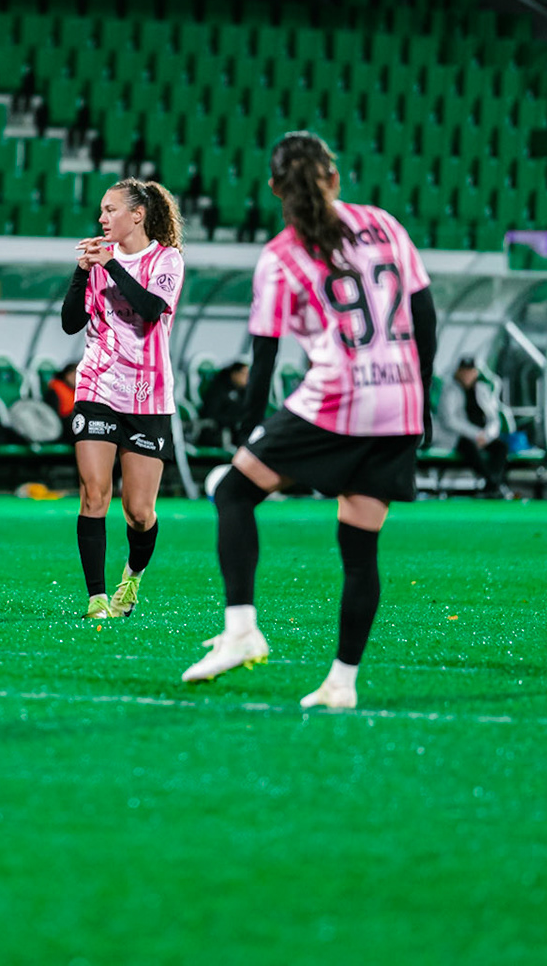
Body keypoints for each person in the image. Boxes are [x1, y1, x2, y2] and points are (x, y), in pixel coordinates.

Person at [182, 131, 438, 711]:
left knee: (234, 492)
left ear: (275, 188)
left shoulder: (281, 254)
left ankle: (242, 628)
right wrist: (418, 401)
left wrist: (249, 431)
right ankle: (341, 682)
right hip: (398, 404)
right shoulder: (384, 223)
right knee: (359, 547)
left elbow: (265, 354)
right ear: (335, 176)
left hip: (339, 398)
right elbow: (426, 317)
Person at [60, 179, 185, 619]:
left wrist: (111, 266)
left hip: (148, 395)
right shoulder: (97, 262)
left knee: (138, 511)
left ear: (137, 214)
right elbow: (71, 324)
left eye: (109, 210)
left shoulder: (166, 260)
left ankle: (131, 577)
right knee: (94, 494)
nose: (101, 218)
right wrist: (81, 272)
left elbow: (150, 309)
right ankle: (95, 598)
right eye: (100, 210)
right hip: (97, 386)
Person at [438, 355, 514, 499]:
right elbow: (449, 420)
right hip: (460, 438)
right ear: (458, 372)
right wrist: (475, 434)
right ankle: (493, 482)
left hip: (483, 437)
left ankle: (492, 484)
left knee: (501, 447)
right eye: (464, 371)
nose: (467, 375)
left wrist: (487, 435)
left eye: (470, 371)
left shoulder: (482, 389)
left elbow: (494, 418)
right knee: (469, 447)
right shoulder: (449, 390)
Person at [197, 362, 252, 449]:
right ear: (234, 374)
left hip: (235, 431)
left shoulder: (243, 392)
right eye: (244, 374)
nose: (247, 377)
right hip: (217, 433)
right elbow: (212, 413)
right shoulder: (218, 389)